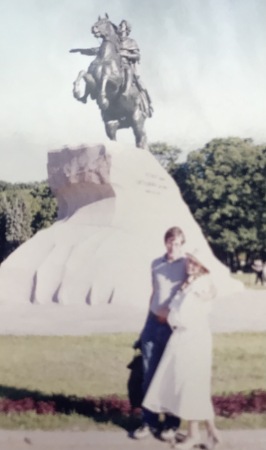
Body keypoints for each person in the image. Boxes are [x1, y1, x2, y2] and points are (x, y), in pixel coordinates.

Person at [142, 249, 221, 449]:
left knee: (190, 385)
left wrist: (170, 317)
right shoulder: (192, 281)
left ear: (202, 266)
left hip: (191, 338)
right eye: (190, 262)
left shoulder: (199, 285)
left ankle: (194, 436)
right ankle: (212, 431)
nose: (190, 266)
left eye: (195, 263)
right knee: (193, 385)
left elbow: (183, 315)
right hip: (185, 337)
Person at [133, 226, 187, 440]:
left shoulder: (186, 265)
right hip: (153, 323)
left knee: (172, 376)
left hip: (173, 327)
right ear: (165, 242)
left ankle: (171, 424)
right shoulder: (156, 264)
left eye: (177, 243)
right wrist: (146, 326)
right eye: (170, 242)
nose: (173, 246)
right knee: (149, 375)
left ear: (182, 245)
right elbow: (154, 293)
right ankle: (149, 421)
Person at [117, 20, 153, 116]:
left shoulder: (131, 42)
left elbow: (137, 56)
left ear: (126, 29)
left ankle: (146, 105)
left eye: (122, 25)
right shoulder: (114, 41)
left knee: (140, 84)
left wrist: (126, 54)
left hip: (126, 65)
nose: (119, 26)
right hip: (114, 65)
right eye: (119, 24)